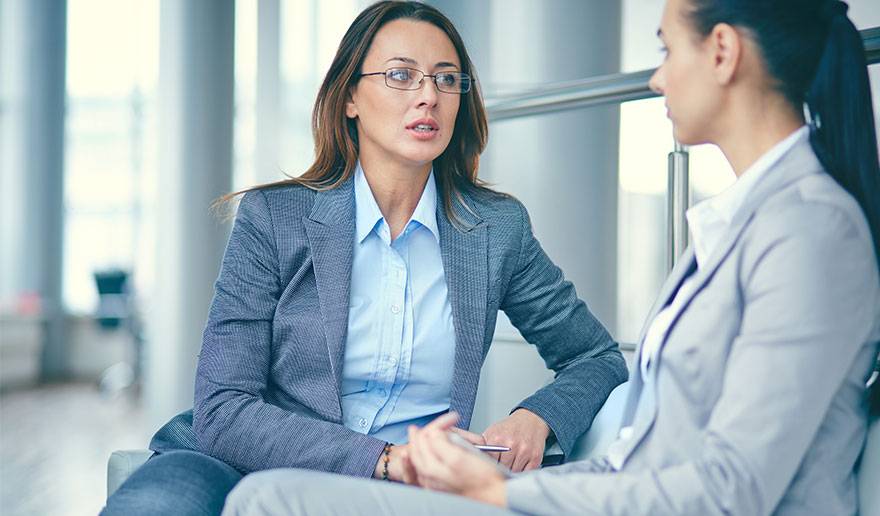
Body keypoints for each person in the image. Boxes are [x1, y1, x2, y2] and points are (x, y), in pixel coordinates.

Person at [220, 0, 880, 514]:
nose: (655, 77)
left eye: (665, 48)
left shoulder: (807, 230)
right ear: (349, 98)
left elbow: (725, 481)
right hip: (335, 463)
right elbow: (648, 460)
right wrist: (491, 485)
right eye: (400, 76)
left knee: (268, 503)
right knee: (253, 492)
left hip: (594, 497)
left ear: (724, 52)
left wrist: (510, 471)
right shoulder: (740, 223)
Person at [101, 2, 627, 515]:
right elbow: (223, 409)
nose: (428, 96)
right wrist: (385, 459)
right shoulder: (275, 218)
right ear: (350, 97)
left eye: (447, 79)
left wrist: (538, 416)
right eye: (401, 75)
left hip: (395, 496)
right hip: (237, 463)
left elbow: (596, 357)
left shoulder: (494, 230)